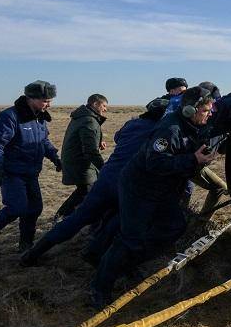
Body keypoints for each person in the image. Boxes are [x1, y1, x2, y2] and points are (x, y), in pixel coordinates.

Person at [90, 75, 231, 309]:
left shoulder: (207, 115)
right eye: (206, 111)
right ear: (191, 111)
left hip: (167, 188)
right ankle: (100, 287)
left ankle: (128, 262)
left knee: (173, 227)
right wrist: (192, 159)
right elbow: (155, 163)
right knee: (131, 238)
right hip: (141, 188)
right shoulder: (169, 130)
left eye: (211, 110)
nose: (211, 114)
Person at [19, 99, 169, 267]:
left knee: (78, 219)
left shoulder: (132, 124)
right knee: (121, 218)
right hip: (129, 184)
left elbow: (118, 137)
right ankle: (94, 253)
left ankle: (33, 253)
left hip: (106, 178)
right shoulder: (161, 131)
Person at [0, 80, 62, 255]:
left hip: (31, 172)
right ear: (30, 98)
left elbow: (43, 141)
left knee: (35, 208)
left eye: (50, 100)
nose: (49, 104)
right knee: (17, 207)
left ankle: (26, 244)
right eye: (45, 100)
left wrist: (55, 157)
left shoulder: (39, 117)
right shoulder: (10, 116)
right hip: (11, 172)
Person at [53, 94, 109, 222]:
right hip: (80, 163)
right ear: (95, 104)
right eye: (104, 106)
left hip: (76, 160)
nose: (105, 109)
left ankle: (67, 216)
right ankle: (62, 217)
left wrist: (98, 141)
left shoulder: (82, 117)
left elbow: (84, 139)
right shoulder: (89, 120)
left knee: (85, 190)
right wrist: (104, 168)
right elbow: (90, 151)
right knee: (86, 190)